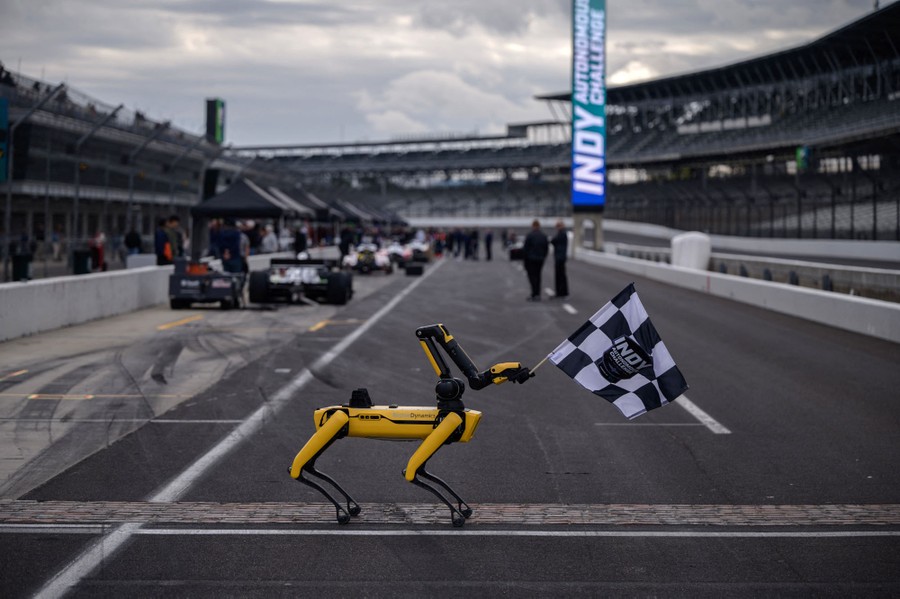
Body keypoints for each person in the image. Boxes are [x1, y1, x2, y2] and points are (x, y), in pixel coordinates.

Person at [522, 219, 548, 301]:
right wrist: (543, 257)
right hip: (540, 259)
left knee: (532, 277)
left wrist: (525, 260)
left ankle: (534, 293)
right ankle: (538, 294)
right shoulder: (543, 236)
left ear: (533, 226)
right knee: (538, 276)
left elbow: (525, 249)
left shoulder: (530, 235)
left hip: (531, 259)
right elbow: (546, 248)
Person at [551, 220, 569, 299]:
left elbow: (553, 241)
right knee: (561, 275)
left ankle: (561, 293)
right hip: (561, 257)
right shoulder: (563, 233)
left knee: (560, 276)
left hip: (559, 257)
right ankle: (562, 292)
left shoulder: (561, 234)